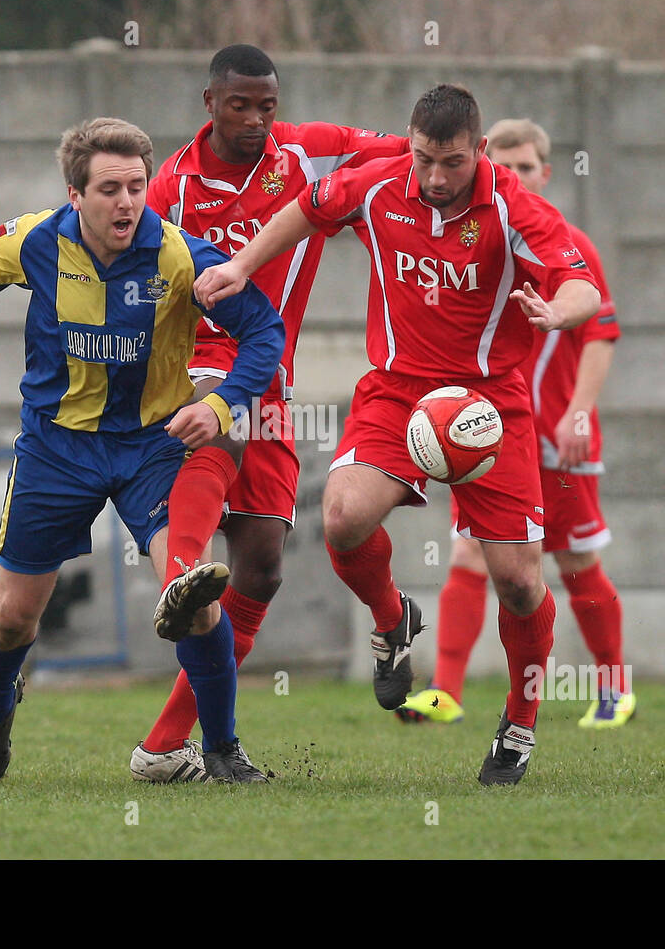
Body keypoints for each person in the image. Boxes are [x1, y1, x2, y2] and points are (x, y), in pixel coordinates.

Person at [0, 117, 285, 784]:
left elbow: (265, 333)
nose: (127, 202)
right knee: (15, 616)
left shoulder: (181, 256)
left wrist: (217, 406)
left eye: (136, 186)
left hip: (150, 448)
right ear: (75, 194)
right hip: (55, 448)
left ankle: (221, 748)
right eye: (109, 189)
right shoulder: (36, 241)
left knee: (196, 596)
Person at [196, 85, 601, 786]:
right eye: (423, 159)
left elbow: (583, 284)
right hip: (397, 391)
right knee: (343, 518)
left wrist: (557, 312)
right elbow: (306, 208)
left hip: (489, 407)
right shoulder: (380, 182)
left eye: (450, 162)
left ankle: (520, 724)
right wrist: (239, 266)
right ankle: (392, 623)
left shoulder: (513, 205)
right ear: (408, 145)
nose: (435, 177)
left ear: (478, 152)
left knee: (517, 583)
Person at [130, 44, 409, 783]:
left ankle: (177, 744)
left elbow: (409, 153)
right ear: (209, 103)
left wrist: (479, 153)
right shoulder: (171, 186)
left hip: (270, 378)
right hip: (197, 363)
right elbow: (134, 270)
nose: (255, 121)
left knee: (261, 566)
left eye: (266, 107)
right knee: (212, 418)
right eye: (238, 106)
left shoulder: (309, 155)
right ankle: (181, 576)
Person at [398, 118, 633, 730]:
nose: (513, 178)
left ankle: (613, 688)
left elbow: (601, 335)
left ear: (544, 174)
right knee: (469, 553)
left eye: (525, 168)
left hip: (558, 434)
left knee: (574, 561)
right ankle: (446, 690)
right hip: (485, 433)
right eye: (503, 167)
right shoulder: (469, 241)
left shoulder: (569, 247)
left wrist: (580, 411)